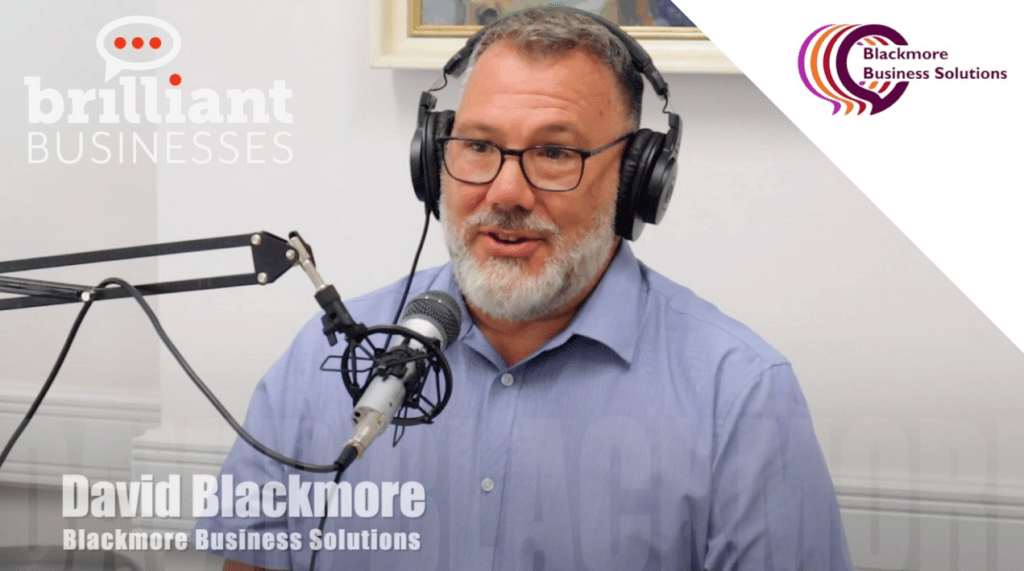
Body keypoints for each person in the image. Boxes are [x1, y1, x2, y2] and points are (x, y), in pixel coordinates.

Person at [196, 7, 852, 570]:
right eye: (479, 146)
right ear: (434, 158)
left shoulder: (740, 394)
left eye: (555, 153)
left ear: (636, 179)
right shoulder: (323, 360)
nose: (506, 191)